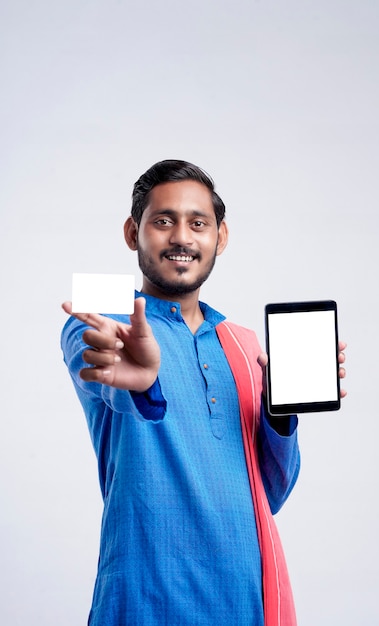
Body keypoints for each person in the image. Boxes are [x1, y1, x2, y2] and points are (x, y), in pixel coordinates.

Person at [61, 159, 346, 626]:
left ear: (221, 236)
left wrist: (280, 409)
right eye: (163, 221)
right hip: (143, 596)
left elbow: (268, 495)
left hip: (245, 596)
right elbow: (96, 359)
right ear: (133, 233)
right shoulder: (104, 315)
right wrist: (142, 381)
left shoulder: (244, 344)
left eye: (198, 223)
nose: (181, 237)